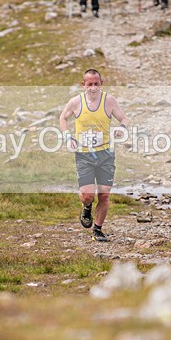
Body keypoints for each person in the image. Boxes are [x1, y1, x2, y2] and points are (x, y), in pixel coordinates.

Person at [58, 68, 130, 242]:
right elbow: (63, 119)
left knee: (104, 195)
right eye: (89, 84)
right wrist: (68, 137)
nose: (93, 88)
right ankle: (86, 206)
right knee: (88, 195)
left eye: (96, 84)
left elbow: (124, 118)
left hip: (106, 153)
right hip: (84, 154)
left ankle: (97, 229)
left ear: (101, 84)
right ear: (83, 85)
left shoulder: (109, 101)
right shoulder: (76, 102)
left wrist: (121, 128)